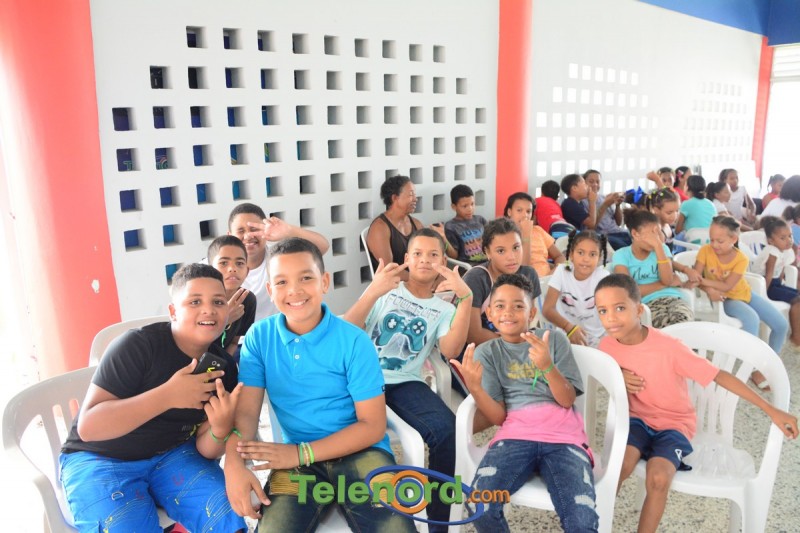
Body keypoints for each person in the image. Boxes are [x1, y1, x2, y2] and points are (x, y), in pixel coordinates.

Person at [224, 238, 416, 532]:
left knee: (395, 528)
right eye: (282, 282)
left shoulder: (354, 341)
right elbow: (247, 414)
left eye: (306, 278)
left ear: (324, 282)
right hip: (297, 462)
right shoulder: (259, 338)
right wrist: (234, 465)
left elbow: (373, 425)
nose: (294, 290)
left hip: (362, 452)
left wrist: (301, 453)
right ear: (270, 290)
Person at [594, 273, 798, 533]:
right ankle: (593, 526)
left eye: (620, 308)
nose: (611, 318)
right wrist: (618, 373)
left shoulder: (669, 348)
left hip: (673, 425)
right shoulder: (607, 346)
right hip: (636, 421)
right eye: (603, 311)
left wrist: (770, 409)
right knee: (617, 468)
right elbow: (604, 373)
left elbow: (719, 376)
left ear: (639, 309)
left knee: (658, 478)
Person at [60, 264, 246, 532]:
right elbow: (89, 428)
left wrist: (220, 428)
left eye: (218, 302)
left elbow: (206, 450)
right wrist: (168, 395)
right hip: (100, 458)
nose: (208, 310)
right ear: (173, 311)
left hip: (171, 455)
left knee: (229, 516)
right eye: (195, 302)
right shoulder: (139, 346)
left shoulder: (223, 367)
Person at [344, 228, 472, 531]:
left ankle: (438, 523)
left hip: (404, 382)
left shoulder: (445, 308)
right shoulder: (385, 290)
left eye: (433, 255)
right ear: (406, 258)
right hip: (362, 377)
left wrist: (466, 299)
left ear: (443, 262)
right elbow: (347, 330)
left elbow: (450, 350)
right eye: (418, 253)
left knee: (448, 430)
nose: (425, 260)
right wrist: (372, 291)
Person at [451, 274, 599, 533]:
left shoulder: (553, 340)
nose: (508, 312)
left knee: (582, 521)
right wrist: (475, 388)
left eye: (518, 306)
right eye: (500, 306)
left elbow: (567, 400)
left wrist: (547, 366)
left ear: (531, 313)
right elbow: (498, 417)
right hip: (514, 439)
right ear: (489, 313)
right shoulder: (488, 352)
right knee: (479, 505)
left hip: (565, 440)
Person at [691, 216, 789, 389]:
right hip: (726, 299)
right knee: (752, 319)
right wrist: (709, 289)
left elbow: (726, 285)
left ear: (733, 239)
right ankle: (750, 368)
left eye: (720, 241)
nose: (714, 244)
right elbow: (695, 279)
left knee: (781, 325)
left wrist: (703, 281)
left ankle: (768, 366)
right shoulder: (705, 251)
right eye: (712, 239)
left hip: (744, 293)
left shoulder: (741, 258)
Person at [228, 202, 330, 322]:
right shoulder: (219, 267)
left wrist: (288, 231)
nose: (248, 236)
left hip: (278, 329)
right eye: (241, 231)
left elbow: (322, 247)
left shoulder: (278, 260)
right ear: (230, 235)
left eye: (254, 229)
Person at [463, 218, 542, 348]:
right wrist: (513, 345)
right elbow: (473, 335)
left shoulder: (529, 274)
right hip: (484, 351)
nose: (511, 257)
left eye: (516, 247)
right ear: (488, 252)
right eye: (501, 251)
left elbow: (529, 320)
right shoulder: (476, 279)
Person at [612, 209, 694, 328]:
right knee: (666, 326)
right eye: (653, 233)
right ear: (635, 234)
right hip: (646, 304)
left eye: (659, 232)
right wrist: (663, 284)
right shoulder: (621, 255)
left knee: (684, 322)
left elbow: (667, 279)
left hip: (674, 298)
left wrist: (658, 246)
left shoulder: (662, 249)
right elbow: (629, 292)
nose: (658, 238)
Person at [542, 230, 609, 347]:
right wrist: (569, 328)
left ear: (599, 258)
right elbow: (547, 309)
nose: (586, 259)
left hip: (598, 337)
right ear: (571, 255)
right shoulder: (561, 272)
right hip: (566, 334)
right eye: (581, 253)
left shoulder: (603, 277)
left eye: (592, 254)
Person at [752, 216, 800, 347]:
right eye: (783, 238)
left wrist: (782, 284)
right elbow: (769, 274)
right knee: (797, 301)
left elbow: (781, 269)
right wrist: (764, 296)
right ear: (771, 241)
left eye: (790, 236)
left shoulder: (784, 250)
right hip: (764, 285)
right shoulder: (772, 252)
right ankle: (796, 337)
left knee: (798, 296)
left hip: (775, 284)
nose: (789, 240)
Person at [366, 175, 424, 281]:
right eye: (411, 195)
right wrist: (422, 281)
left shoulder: (417, 224)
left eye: (415, 195)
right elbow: (389, 271)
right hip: (395, 285)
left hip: (418, 280)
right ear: (395, 198)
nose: (415, 199)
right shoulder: (380, 228)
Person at [207, 235, 256, 355]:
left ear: (247, 271)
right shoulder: (201, 300)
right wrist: (224, 319)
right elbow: (192, 343)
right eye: (224, 263)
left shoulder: (247, 299)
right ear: (210, 269)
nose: (232, 269)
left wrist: (227, 363)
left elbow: (234, 342)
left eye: (239, 263)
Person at [504, 191, 565, 277]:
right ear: (509, 212)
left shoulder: (538, 230)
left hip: (550, 279)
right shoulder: (505, 234)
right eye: (519, 210)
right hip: (527, 282)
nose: (525, 215)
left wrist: (555, 271)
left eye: (528, 211)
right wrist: (526, 234)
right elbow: (523, 270)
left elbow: (559, 256)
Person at [582, 169, 632, 250]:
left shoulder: (603, 197)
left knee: (640, 244)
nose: (595, 184)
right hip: (604, 235)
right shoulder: (582, 201)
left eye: (598, 182)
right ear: (584, 183)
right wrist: (605, 204)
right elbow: (591, 227)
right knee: (627, 250)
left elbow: (618, 223)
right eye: (591, 181)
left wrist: (617, 205)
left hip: (620, 232)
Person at [444, 184, 488, 265]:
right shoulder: (451, 226)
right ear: (454, 207)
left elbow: (492, 241)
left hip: (488, 263)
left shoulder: (480, 220)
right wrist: (443, 238)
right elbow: (453, 256)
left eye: (472, 204)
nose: (470, 209)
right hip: (468, 266)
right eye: (465, 206)